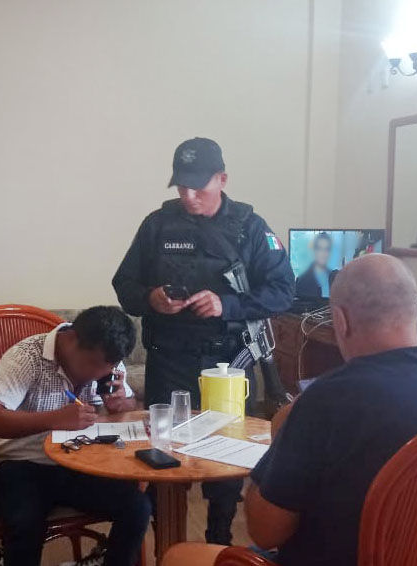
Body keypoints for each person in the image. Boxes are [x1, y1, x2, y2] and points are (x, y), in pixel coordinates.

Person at [163, 254, 417, 566]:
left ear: (341, 320)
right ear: (415, 309)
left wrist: (280, 438)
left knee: (179, 557)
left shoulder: (326, 400)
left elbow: (265, 532)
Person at [112, 137, 295, 544]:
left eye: (198, 186)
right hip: (169, 360)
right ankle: (168, 540)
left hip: (228, 363)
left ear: (222, 179)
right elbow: (123, 284)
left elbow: (284, 290)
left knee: (226, 457)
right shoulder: (157, 225)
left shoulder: (250, 227)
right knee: (163, 454)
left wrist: (226, 305)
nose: (189, 196)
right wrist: (150, 298)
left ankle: (218, 540)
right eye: (182, 186)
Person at [0, 306, 150, 566]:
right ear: (72, 340)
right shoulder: (27, 356)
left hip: (83, 462)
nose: (98, 375)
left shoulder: (107, 358)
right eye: (93, 364)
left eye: (106, 368)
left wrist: (121, 404)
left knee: (137, 507)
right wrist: (56, 419)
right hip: (22, 464)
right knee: (25, 522)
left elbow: (128, 405)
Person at [295, 232, 338, 298]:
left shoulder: (337, 277)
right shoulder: (302, 280)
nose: (323, 253)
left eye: (327, 249)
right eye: (320, 249)